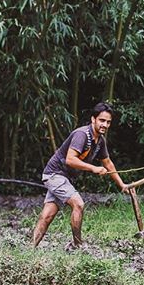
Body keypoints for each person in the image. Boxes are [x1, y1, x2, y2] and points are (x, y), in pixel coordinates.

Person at [32, 102, 130, 250]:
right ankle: (77, 245)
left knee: (47, 215)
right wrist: (93, 168)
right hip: (55, 174)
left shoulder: (100, 141)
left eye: (108, 122)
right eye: (102, 120)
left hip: (65, 179)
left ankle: (31, 249)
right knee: (78, 204)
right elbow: (70, 159)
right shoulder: (82, 135)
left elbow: (108, 163)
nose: (105, 124)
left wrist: (122, 185)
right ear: (93, 119)